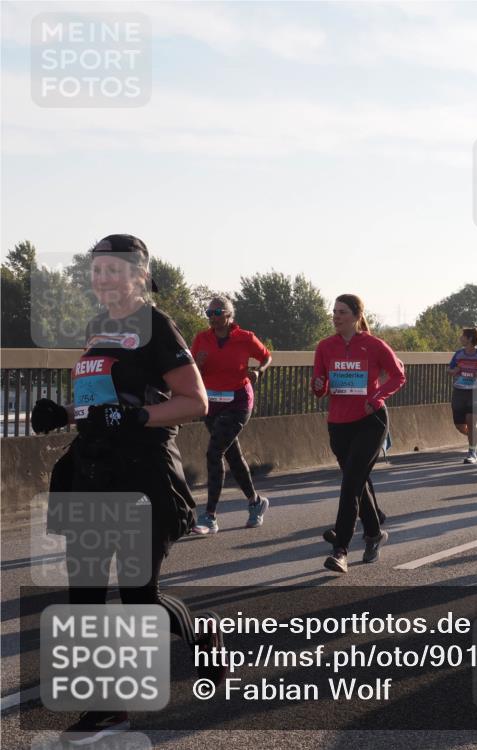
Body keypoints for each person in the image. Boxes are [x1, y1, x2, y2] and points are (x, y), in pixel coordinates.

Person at [29, 234, 223, 743]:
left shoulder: (156, 326)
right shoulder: (98, 329)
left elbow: (195, 401)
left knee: (140, 597)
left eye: (113, 269)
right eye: (96, 270)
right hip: (92, 470)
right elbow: (101, 403)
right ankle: (107, 708)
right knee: (86, 595)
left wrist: (139, 416)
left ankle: (203, 639)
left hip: (143, 471)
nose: (102, 279)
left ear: (139, 275)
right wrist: (65, 413)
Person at [312, 294, 405, 574]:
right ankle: (374, 533)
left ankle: (340, 549)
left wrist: (377, 397)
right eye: (334, 311)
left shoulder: (374, 345)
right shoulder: (325, 347)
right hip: (339, 423)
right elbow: (320, 388)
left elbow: (399, 375)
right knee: (357, 480)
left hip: (370, 420)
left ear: (355, 315)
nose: (336, 316)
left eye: (341, 312)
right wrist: (318, 385)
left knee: (350, 482)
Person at [189, 296, 272, 534]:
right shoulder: (201, 339)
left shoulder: (245, 338)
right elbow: (191, 370)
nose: (212, 318)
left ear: (229, 315)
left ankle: (210, 516)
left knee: (214, 453)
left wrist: (259, 372)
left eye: (217, 312)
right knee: (233, 457)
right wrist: (198, 363)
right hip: (211, 405)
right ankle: (256, 503)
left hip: (237, 403)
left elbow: (266, 357)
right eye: (209, 313)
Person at [447, 327, 477, 465]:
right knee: (459, 425)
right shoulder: (458, 354)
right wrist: (453, 371)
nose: (460, 338)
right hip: (459, 391)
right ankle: (474, 436)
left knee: (470, 422)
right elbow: (449, 370)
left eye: (462, 336)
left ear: (469, 338)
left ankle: (472, 452)